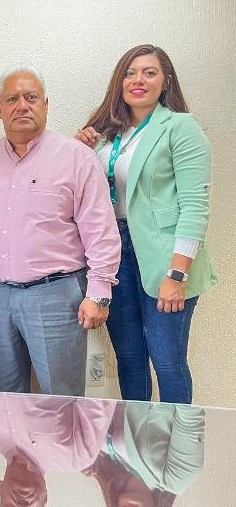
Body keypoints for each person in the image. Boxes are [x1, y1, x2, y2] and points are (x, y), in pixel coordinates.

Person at [75, 44, 217, 403]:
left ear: (165, 81)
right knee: (129, 359)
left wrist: (177, 275)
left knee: (167, 362)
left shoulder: (180, 127)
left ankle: (177, 438)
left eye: (149, 73)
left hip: (166, 258)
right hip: (115, 253)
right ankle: (135, 437)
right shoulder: (107, 134)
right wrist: (80, 149)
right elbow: (87, 195)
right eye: (130, 73)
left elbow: (195, 207)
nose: (138, 80)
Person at [0, 66, 120, 396]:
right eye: (12, 99)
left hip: (56, 295)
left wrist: (99, 294)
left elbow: (101, 230)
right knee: (5, 398)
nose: (22, 106)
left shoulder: (76, 158)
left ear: (46, 104)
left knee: (62, 399)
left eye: (31, 97)